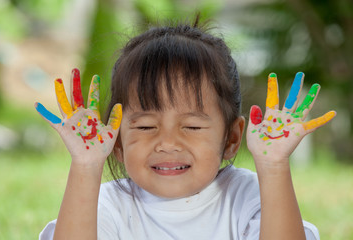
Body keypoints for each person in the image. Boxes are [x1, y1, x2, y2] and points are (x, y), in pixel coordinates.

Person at [37, 15, 335, 240]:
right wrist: (86, 166)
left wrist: (273, 166)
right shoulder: (104, 205)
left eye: (191, 126)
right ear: (116, 141)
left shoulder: (249, 197)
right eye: (145, 126)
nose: (167, 143)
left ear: (231, 138)